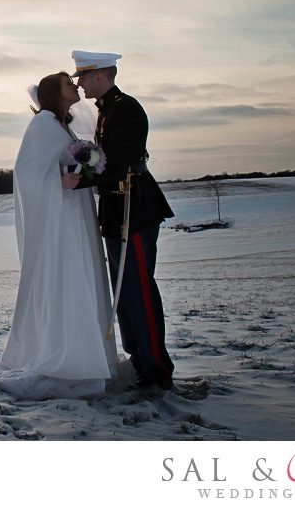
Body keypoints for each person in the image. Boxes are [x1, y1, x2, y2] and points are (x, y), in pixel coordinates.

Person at [0, 71, 118, 399]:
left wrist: (82, 171)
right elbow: (26, 174)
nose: (76, 85)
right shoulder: (42, 125)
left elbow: (69, 161)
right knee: (65, 277)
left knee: (80, 275)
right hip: (58, 219)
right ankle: (66, 355)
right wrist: (58, 182)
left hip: (73, 213)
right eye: (70, 83)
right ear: (56, 92)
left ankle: (87, 353)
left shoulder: (62, 124)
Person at [72, 50, 176, 391]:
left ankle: (157, 369)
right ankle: (141, 362)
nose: (80, 84)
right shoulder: (107, 110)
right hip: (118, 211)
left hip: (136, 208)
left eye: (83, 77)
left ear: (99, 76)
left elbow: (117, 165)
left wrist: (78, 179)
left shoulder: (125, 109)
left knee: (139, 289)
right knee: (125, 292)